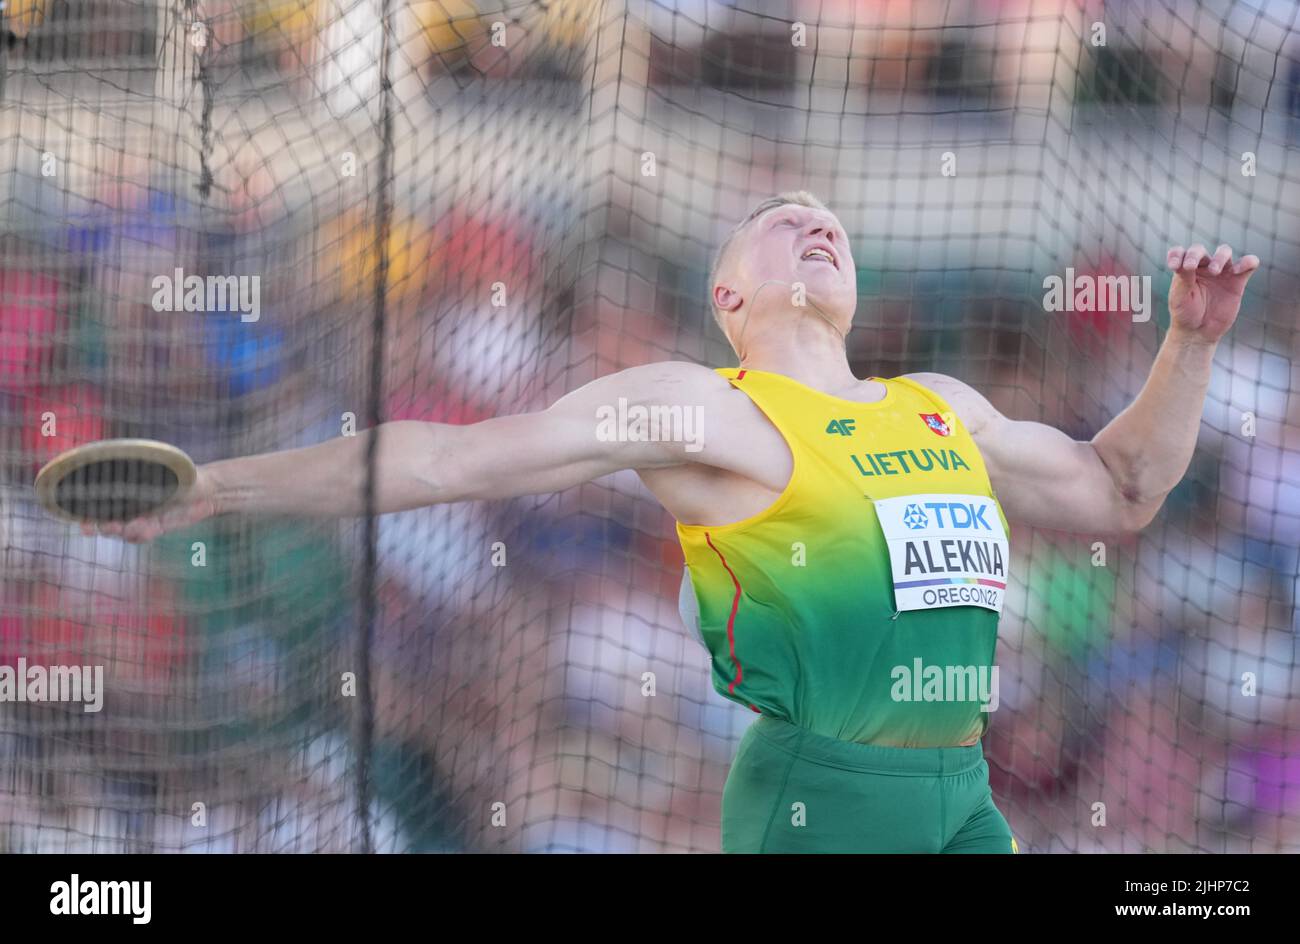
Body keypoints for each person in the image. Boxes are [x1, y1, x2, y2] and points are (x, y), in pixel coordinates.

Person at [81, 191, 1260, 853]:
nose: (815, 221)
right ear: (726, 297)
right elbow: (449, 458)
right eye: (777, 216)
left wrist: (1190, 343)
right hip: (821, 794)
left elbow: (1123, 491)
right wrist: (217, 487)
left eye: (827, 217)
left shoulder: (940, 407)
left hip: (963, 789)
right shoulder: (703, 404)